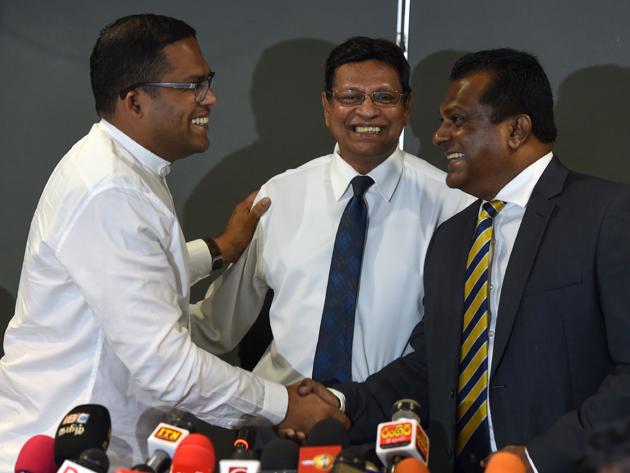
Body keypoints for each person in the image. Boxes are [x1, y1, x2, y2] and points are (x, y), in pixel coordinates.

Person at [0, 14, 342, 470]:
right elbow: (168, 367)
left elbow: (139, 269)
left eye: (208, 81)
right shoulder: (109, 189)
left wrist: (219, 249)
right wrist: (284, 405)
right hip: (67, 452)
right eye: (193, 86)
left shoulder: (128, 166)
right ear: (135, 101)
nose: (211, 98)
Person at [290, 48, 630, 473]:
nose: (439, 135)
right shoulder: (452, 237)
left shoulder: (609, 215)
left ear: (517, 129)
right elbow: (432, 366)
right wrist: (341, 402)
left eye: (458, 120)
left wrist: (537, 459)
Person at [190, 37, 471, 387]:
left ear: (407, 106)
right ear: (326, 105)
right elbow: (217, 326)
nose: (367, 111)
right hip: (281, 418)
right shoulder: (278, 197)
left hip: (388, 424)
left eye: (383, 97)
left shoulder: (455, 206)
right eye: (350, 97)